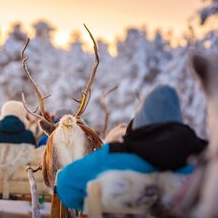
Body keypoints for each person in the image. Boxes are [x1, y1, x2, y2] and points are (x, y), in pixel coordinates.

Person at [56, 85, 207, 211]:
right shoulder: (204, 160)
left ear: (140, 119)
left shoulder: (113, 156)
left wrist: (94, 206)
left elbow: (65, 186)